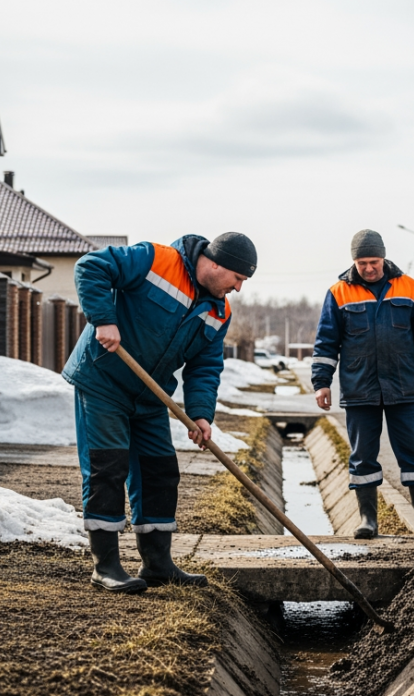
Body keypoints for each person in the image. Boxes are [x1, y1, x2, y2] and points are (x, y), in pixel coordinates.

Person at [63, 232, 257, 592]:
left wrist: (201, 414)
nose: (239, 288)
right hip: (104, 379)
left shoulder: (220, 312)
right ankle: (105, 566)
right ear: (216, 264)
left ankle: (157, 563)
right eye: (238, 279)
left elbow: (205, 367)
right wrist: (104, 319)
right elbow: (91, 267)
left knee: (160, 472)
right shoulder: (156, 260)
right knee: (108, 467)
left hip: (150, 397)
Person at [311, 229, 414, 538]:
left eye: (373, 261)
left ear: (384, 257)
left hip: (403, 387)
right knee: (363, 455)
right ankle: (368, 521)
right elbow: (326, 343)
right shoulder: (339, 292)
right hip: (359, 389)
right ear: (354, 262)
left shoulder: (408, 287)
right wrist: (321, 383)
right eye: (362, 262)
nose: (368, 268)